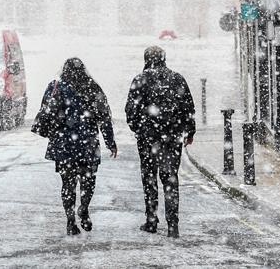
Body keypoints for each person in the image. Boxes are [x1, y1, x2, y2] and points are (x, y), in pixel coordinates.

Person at [32, 57, 117, 236]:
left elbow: (45, 112)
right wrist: (110, 142)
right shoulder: (93, 88)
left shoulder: (56, 87)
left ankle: (70, 221)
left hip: (64, 145)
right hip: (88, 144)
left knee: (68, 184)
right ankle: (84, 208)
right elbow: (104, 118)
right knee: (88, 181)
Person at [126, 46, 195, 239]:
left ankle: (151, 220)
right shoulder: (177, 78)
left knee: (149, 179)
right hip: (172, 138)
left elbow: (130, 110)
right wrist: (189, 131)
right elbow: (188, 107)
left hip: (148, 138)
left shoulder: (140, 79)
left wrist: (139, 129)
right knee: (170, 178)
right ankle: (173, 225)